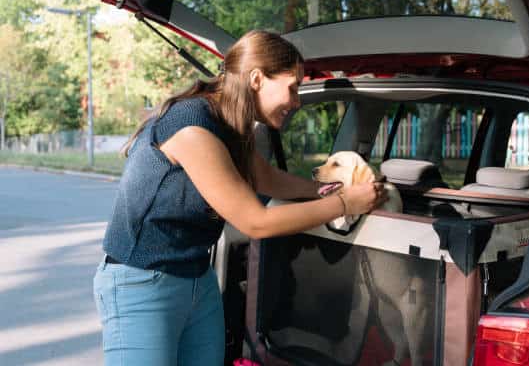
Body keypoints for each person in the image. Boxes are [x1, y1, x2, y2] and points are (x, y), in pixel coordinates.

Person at [93, 30, 387, 366]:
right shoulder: (193, 126)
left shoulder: (231, 126)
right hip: (142, 284)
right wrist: (346, 204)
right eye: (292, 88)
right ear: (258, 79)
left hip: (196, 279)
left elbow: (266, 178)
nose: (296, 101)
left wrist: (329, 189)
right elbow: (254, 222)